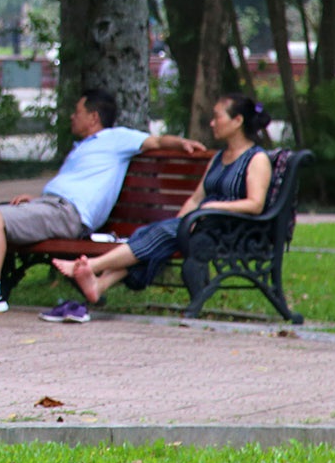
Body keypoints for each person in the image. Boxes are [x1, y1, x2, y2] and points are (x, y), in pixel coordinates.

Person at [0, 88, 202, 314]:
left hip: (70, 216)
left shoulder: (116, 138)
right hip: (50, 206)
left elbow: (158, 142)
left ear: (94, 117)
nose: (72, 116)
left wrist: (183, 142)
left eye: (77, 112)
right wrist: (38, 200)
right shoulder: (83, 147)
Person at [41, 94, 273, 322]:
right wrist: (181, 224)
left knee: (158, 236)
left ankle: (91, 266)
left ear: (238, 121)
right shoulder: (220, 158)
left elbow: (255, 204)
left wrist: (214, 207)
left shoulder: (256, 159)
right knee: (152, 235)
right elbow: (195, 199)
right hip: (201, 225)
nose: (212, 123)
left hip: (230, 230)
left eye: (217, 117)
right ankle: (99, 285)